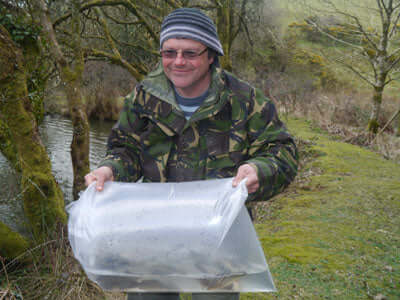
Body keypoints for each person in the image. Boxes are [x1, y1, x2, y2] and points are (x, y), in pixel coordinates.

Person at [85, 7, 298, 300]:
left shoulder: (245, 100)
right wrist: (109, 169)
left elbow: (282, 151)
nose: (178, 62)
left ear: (211, 55)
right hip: (153, 233)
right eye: (169, 52)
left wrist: (260, 170)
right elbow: (126, 149)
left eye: (190, 53)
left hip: (220, 237)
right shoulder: (143, 96)